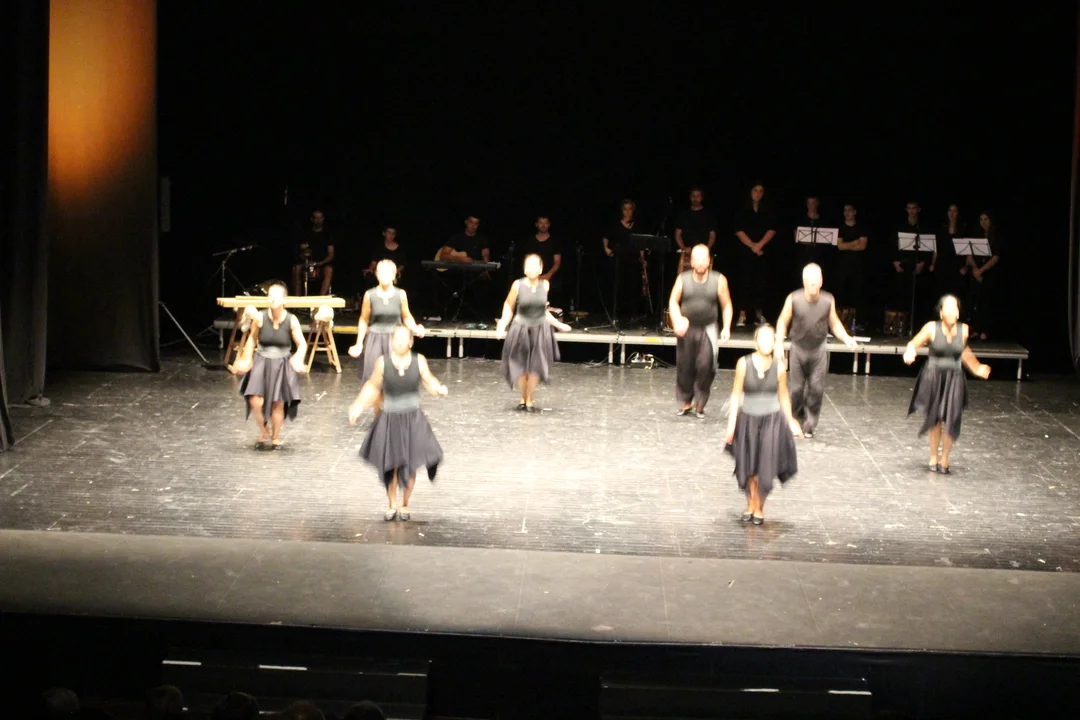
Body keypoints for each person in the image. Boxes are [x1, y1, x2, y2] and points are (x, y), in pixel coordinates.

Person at [349, 325, 448, 521]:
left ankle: (405, 504)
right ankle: (391, 504)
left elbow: (428, 380)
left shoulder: (419, 361)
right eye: (397, 338)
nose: (400, 342)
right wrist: (359, 405)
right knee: (391, 464)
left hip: (412, 419)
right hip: (390, 418)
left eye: (404, 339)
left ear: (410, 342)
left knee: (410, 464)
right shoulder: (383, 363)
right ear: (392, 341)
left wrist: (439, 389)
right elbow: (373, 386)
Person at [904, 295, 991, 473]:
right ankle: (933, 456)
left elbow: (963, 351)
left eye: (955, 309)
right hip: (933, 376)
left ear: (958, 313)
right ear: (941, 312)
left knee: (952, 418)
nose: (952, 312)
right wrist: (910, 352)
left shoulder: (964, 330)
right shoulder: (931, 328)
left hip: (955, 378)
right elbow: (914, 343)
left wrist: (977, 367)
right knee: (934, 417)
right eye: (948, 309)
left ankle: (945, 458)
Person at [724, 324, 801, 525]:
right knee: (749, 466)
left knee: (764, 467)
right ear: (755, 342)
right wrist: (731, 424)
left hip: (771, 423)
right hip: (748, 421)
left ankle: (759, 506)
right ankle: (750, 503)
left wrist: (791, 420)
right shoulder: (743, 364)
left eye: (771, 339)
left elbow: (783, 396)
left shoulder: (779, 367)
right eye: (763, 338)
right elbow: (735, 395)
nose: (767, 343)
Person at [775, 263, 857, 438]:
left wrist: (846, 338)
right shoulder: (794, 298)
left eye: (815, 280)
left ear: (821, 281)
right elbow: (782, 321)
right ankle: (797, 421)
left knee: (816, 389)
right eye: (809, 281)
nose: (812, 284)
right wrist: (778, 343)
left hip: (818, 351)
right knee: (796, 390)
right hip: (798, 349)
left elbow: (834, 322)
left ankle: (810, 424)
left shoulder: (828, 299)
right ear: (803, 281)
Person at [229, 282, 308, 450]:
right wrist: (246, 359)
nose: (272, 299)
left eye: (276, 295)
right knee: (255, 400)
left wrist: (298, 358)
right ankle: (264, 431)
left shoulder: (291, 320)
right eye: (270, 295)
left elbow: (302, 344)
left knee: (278, 402)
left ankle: (275, 437)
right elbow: (252, 339)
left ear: (284, 300)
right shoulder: (260, 317)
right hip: (262, 360)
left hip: (282, 362)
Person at [495, 254, 572, 411]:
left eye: (535, 266)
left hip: (539, 330)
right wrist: (502, 324)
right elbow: (509, 305)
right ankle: (524, 396)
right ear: (524, 269)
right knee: (521, 367)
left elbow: (543, 311)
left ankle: (529, 399)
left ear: (541, 269)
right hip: (520, 329)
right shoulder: (517, 285)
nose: (531, 269)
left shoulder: (545, 285)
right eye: (528, 266)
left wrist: (558, 324)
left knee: (535, 367)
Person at [667, 244, 732, 418]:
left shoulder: (719, 280)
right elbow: (673, 301)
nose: (701, 262)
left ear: (709, 261)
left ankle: (701, 403)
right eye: (697, 259)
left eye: (704, 258)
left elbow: (726, 305)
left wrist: (726, 327)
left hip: (708, 328)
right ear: (692, 262)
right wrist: (677, 320)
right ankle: (685, 402)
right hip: (687, 329)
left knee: (706, 365)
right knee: (685, 366)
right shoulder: (683, 279)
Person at [348, 260, 425, 393]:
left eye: (388, 272)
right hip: (374, 339)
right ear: (377, 275)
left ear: (394, 275)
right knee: (373, 379)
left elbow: (406, 316)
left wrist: (415, 329)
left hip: (395, 340)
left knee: (396, 378)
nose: (384, 275)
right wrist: (359, 343)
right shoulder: (370, 295)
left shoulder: (400, 294)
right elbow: (364, 319)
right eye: (381, 272)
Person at [732, 184, 777, 327]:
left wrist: (760, 245)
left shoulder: (768, 210)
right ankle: (742, 315)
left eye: (761, 191)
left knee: (761, 282)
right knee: (744, 281)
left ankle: (759, 315)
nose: (758, 194)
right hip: (745, 251)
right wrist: (753, 246)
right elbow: (738, 230)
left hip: (762, 251)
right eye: (755, 190)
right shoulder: (742, 209)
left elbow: (772, 229)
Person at [292, 209, 335, 296]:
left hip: (322, 263)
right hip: (307, 262)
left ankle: (321, 298)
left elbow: (331, 255)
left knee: (329, 270)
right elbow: (301, 252)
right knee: (296, 268)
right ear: (312, 219)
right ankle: (297, 297)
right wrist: (307, 260)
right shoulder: (306, 234)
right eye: (316, 218)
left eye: (320, 218)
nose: (318, 220)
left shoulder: (327, 234)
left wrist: (320, 263)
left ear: (323, 219)